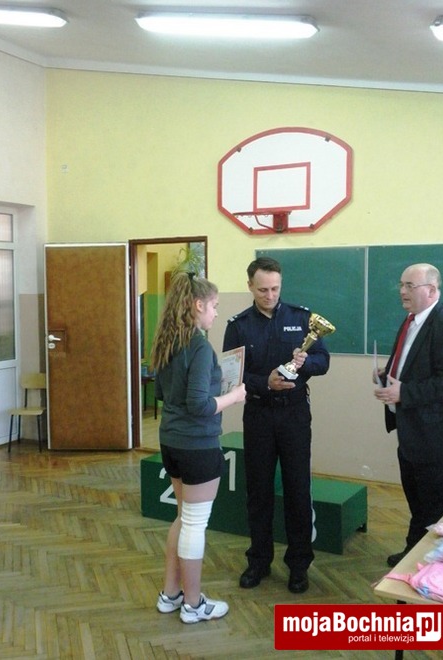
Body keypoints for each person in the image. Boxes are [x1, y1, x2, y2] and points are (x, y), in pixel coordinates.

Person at [223, 257, 330, 594]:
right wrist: (265, 383)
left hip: (294, 415)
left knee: (298, 489)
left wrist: (306, 362)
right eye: (262, 290)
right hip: (258, 414)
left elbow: (323, 361)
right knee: (258, 491)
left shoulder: (301, 318)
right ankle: (258, 561)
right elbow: (231, 376)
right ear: (250, 287)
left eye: (275, 289)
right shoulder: (238, 325)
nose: (270, 295)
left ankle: (299, 565)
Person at [150, 271, 246, 624]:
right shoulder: (200, 346)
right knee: (194, 523)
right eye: (214, 306)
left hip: (170, 441)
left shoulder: (166, 341)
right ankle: (193, 605)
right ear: (198, 304)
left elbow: (163, 394)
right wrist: (235, 395)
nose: (217, 313)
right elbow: (200, 406)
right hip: (197, 445)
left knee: (183, 517)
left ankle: (170, 595)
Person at [374, 263, 443, 567]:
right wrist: (387, 373)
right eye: (401, 285)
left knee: (433, 508)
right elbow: (413, 365)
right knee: (419, 504)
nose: (402, 291)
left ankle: (424, 567)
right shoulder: (412, 320)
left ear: (432, 290)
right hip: (411, 432)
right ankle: (413, 554)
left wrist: (405, 392)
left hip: (435, 438)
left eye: (410, 286)